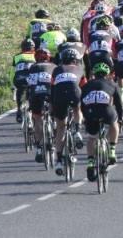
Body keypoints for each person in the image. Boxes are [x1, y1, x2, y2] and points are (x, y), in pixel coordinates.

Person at [81, 63, 123, 181]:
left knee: (91, 138)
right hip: (106, 111)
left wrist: (85, 117)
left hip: (90, 111)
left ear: (94, 74)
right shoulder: (113, 84)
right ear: (108, 74)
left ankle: (90, 162)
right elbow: (119, 105)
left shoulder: (87, 85)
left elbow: (82, 103)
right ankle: (112, 150)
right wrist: (121, 118)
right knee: (114, 122)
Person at [52, 48, 85, 176]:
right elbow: (84, 87)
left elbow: (52, 87)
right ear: (76, 60)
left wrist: (51, 105)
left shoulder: (56, 70)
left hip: (59, 95)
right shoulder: (80, 69)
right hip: (74, 93)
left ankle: (59, 160)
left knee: (61, 128)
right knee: (77, 107)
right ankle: (77, 131)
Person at [27, 49, 56, 163]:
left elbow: (29, 84)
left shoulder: (32, 68)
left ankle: (39, 148)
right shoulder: (54, 66)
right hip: (49, 94)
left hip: (36, 96)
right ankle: (54, 126)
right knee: (58, 116)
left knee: (37, 119)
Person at [12, 39, 36, 123]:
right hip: (31, 79)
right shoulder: (36, 55)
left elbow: (12, 71)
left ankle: (19, 109)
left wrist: (12, 84)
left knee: (20, 90)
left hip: (19, 78)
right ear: (33, 48)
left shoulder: (17, 57)